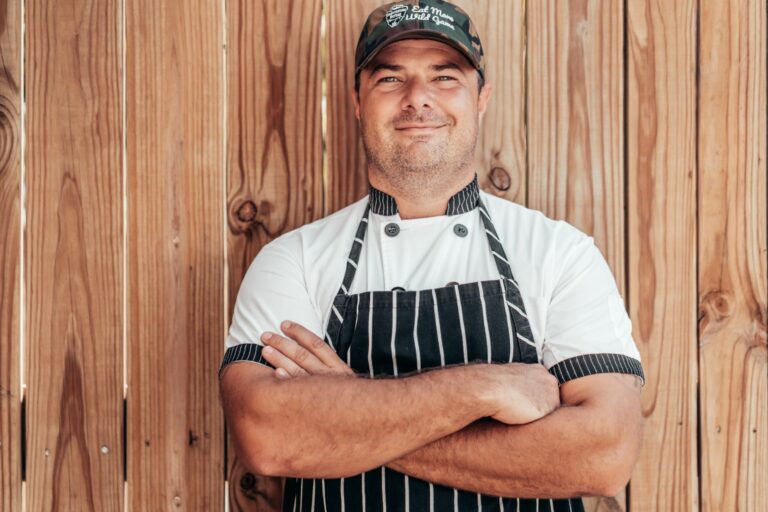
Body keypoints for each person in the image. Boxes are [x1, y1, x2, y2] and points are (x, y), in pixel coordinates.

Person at [218, 1, 645, 511]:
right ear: (357, 101)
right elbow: (267, 436)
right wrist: (484, 389)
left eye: (444, 77)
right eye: (390, 80)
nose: (418, 99)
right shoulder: (292, 260)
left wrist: (345, 416)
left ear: (481, 98)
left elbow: (604, 455)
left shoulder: (560, 253)